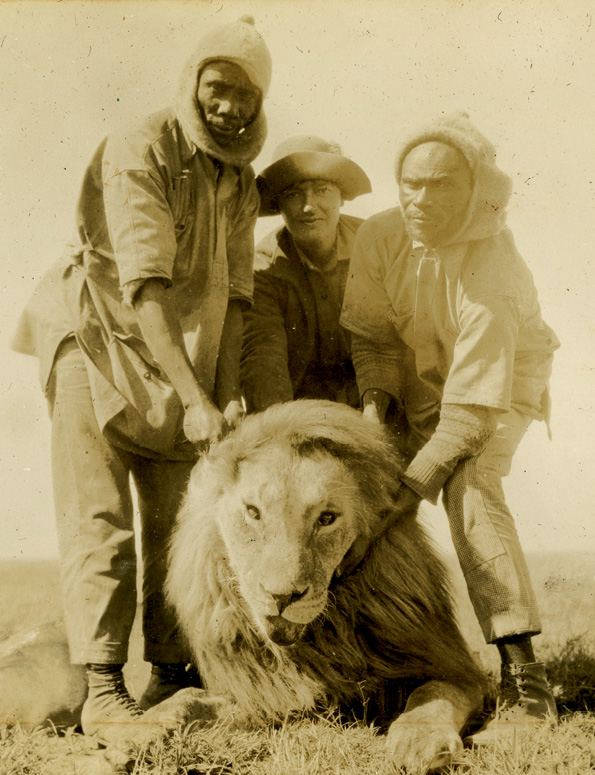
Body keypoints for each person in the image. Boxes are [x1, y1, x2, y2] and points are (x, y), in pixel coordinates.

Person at [12, 16, 271, 740]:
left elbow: (235, 299)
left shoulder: (241, 183)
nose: (227, 107)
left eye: (244, 96)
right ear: (192, 82)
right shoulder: (141, 147)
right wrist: (193, 397)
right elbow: (143, 286)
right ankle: (102, 685)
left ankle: (168, 670)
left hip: (171, 363)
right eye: (216, 88)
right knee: (102, 520)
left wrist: (217, 404)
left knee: (174, 520)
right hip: (94, 340)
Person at [340, 111, 560, 740]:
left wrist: (407, 491)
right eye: (411, 183)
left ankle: (526, 682)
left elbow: (470, 413)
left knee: (467, 485)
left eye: (441, 185)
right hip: (420, 389)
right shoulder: (379, 237)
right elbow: (374, 339)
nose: (421, 199)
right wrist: (374, 417)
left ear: (474, 190)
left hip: (500, 393)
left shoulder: (492, 259)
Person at [241, 135, 371, 412]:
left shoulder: (374, 247)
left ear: (342, 197)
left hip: (378, 404)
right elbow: (263, 362)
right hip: (303, 412)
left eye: (322, 190)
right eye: (293, 195)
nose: (308, 207)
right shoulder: (264, 270)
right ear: (278, 206)